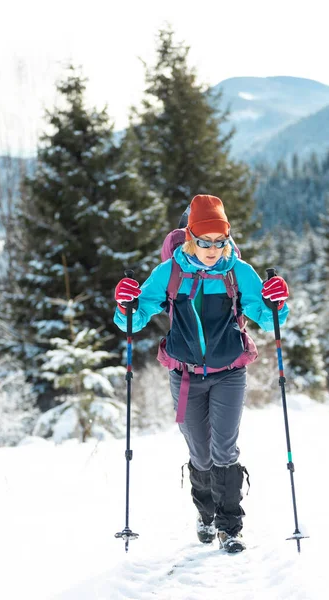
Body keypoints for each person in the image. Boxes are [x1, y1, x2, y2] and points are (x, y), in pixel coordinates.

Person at [113, 194, 289, 554]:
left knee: (224, 450)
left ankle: (230, 527)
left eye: (219, 241)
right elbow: (134, 317)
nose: (212, 249)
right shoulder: (169, 272)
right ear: (190, 237)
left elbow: (268, 317)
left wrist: (276, 303)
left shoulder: (237, 271)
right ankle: (205, 514)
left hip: (229, 373)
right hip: (186, 375)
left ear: (227, 239)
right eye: (205, 241)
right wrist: (126, 304)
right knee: (200, 454)